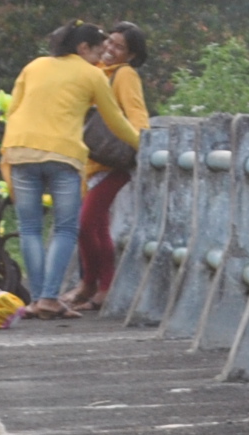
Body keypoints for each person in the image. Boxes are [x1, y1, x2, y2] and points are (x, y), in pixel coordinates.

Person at [0, 22, 140, 317]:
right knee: (65, 227)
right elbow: (115, 121)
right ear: (83, 48)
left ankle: (38, 299)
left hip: (20, 149)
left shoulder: (34, 66)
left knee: (29, 229)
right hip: (63, 154)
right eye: (99, 50)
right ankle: (49, 298)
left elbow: (13, 111)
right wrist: (143, 143)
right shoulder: (92, 74)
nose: (102, 57)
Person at [66, 23, 148, 307]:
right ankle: (92, 286)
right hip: (91, 161)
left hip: (113, 163)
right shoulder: (95, 70)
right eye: (109, 43)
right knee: (95, 225)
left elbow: (136, 111)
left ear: (132, 54)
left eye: (119, 47)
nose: (111, 50)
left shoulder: (124, 75)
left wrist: (141, 144)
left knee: (87, 223)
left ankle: (101, 286)